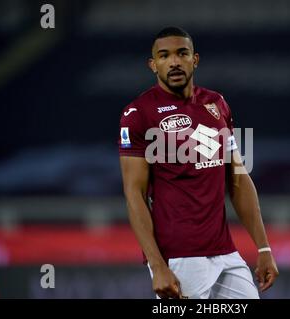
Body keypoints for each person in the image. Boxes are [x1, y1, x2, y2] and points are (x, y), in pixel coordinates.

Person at [118, 26, 278, 299]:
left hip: (225, 252)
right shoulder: (138, 114)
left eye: (182, 53)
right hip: (179, 258)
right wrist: (157, 265)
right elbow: (134, 194)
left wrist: (263, 248)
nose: (175, 61)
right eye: (165, 55)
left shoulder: (217, 104)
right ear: (153, 64)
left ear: (195, 59)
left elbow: (239, 177)